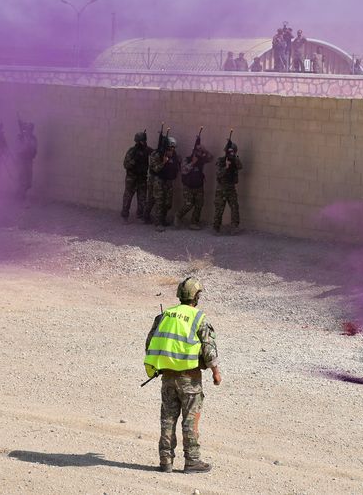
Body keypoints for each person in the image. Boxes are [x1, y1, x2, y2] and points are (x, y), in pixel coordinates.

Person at [144, 277, 221, 474]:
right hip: (190, 379)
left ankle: (166, 461)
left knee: (168, 419)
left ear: (179, 295)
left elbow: (150, 343)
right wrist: (216, 372)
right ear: (196, 297)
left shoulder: (164, 316)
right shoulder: (198, 317)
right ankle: (192, 461)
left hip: (167, 377)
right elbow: (208, 349)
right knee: (190, 420)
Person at [177, 142, 213, 230]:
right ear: (194, 152)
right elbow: (183, 170)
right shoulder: (187, 159)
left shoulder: (201, 160)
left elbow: (211, 158)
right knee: (188, 205)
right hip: (188, 187)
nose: (200, 153)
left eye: (201, 152)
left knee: (199, 205)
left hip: (199, 186)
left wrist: (205, 150)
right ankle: (178, 216)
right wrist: (192, 163)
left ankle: (194, 222)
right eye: (198, 151)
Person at [149, 136, 181, 232]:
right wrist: (163, 162)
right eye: (171, 147)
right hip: (158, 180)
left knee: (167, 203)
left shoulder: (173, 154)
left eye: (174, 147)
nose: (173, 149)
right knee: (159, 202)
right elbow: (155, 169)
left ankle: (163, 219)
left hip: (168, 181)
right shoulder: (156, 154)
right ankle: (158, 223)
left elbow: (175, 166)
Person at [212, 139, 242, 233]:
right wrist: (226, 167)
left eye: (233, 151)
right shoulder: (221, 160)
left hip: (231, 188)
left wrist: (234, 158)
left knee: (234, 207)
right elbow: (218, 174)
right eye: (229, 151)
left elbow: (240, 166)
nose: (231, 153)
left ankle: (234, 226)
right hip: (221, 189)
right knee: (219, 209)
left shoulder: (235, 160)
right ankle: (216, 227)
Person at [123, 131, 153, 222]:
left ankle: (140, 215)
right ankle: (125, 215)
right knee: (128, 197)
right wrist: (135, 160)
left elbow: (155, 153)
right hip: (132, 178)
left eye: (144, 140)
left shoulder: (146, 150)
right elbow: (126, 165)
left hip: (142, 178)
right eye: (142, 141)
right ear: (138, 141)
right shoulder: (132, 151)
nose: (144, 142)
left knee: (142, 198)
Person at [14, 117, 38, 202]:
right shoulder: (20, 137)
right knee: (22, 178)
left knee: (29, 182)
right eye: (28, 128)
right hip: (21, 160)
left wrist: (32, 150)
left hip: (29, 160)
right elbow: (17, 149)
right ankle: (20, 196)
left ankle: (20, 193)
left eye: (31, 129)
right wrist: (25, 146)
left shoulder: (33, 138)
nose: (30, 130)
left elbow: (35, 149)